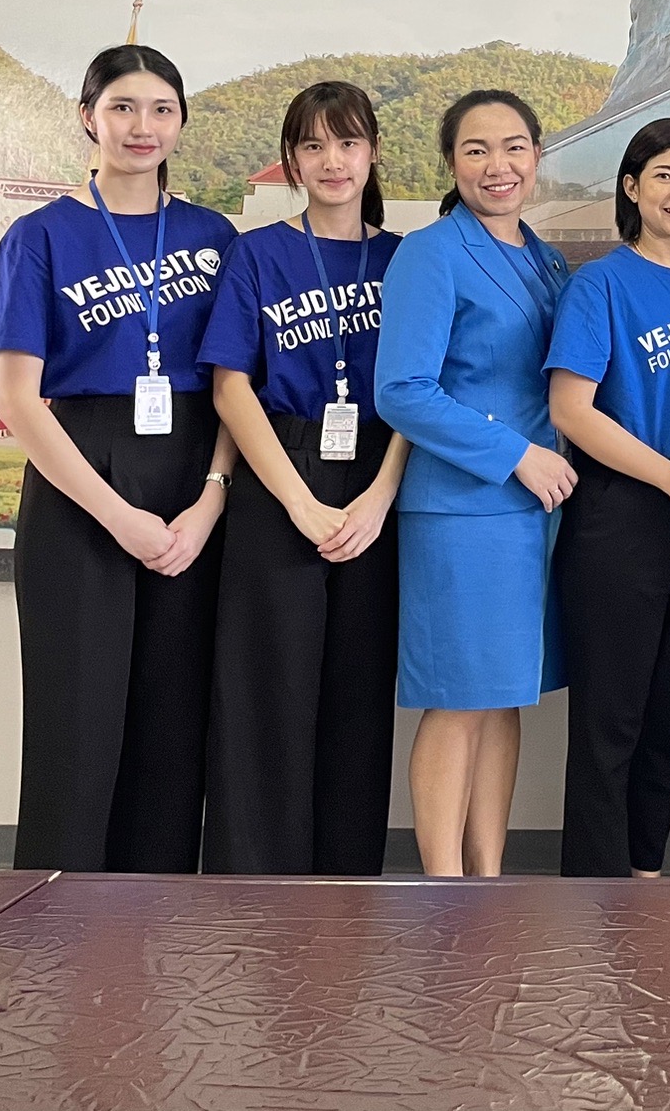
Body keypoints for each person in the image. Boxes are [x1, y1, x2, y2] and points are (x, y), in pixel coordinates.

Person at [0, 44, 238, 872]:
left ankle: (154, 916)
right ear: (89, 116)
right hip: (80, 486)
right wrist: (118, 515)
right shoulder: (41, 235)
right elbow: (16, 398)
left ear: (182, 122)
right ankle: (53, 923)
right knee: (75, 719)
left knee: (172, 719)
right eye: (123, 106)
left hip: (192, 484)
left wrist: (211, 499)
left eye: (161, 108)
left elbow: (236, 385)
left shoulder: (214, 234)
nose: (142, 126)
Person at [199, 81, 407, 875]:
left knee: (358, 693)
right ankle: (254, 885)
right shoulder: (258, 252)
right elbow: (230, 386)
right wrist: (298, 501)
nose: (333, 161)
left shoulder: (403, 259)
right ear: (291, 159)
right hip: (280, 470)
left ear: (374, 151)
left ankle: (347, 883)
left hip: (378, 473)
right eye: (313, 146)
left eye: (348, 143)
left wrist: (380, 495)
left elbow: (420, 388)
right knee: (265, 686)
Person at [375, 89, 575, 877]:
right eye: (477, 150)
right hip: (463, 506)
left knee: (504, 693)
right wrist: (515, 454)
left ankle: (488, 876)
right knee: (458, 697)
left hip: (537, 509)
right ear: (451, 163)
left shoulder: (548, 260)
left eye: (516, 146)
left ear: (536, 156)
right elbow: (403, 390)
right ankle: (442, 883)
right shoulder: (430, 254)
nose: (499, 166)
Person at [546, 118, 670, 879]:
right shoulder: (600, 282)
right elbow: (571, 410)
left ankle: (646, 876)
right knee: (610, 720)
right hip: (623, 510)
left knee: (669, 716)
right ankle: (593, 893)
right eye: (664, 175)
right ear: (632, 187)